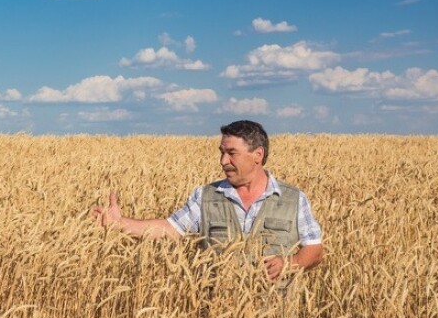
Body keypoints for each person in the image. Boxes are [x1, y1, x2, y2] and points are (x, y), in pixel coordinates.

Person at [93, 120, 323, 280]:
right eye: (221, 152)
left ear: (258, 155)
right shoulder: (206, 196)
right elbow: (170, 229)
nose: (223, 160)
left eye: (231, 153)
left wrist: (289, 263)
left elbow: (314, 249)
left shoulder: (293, 198)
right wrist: (119, 224)